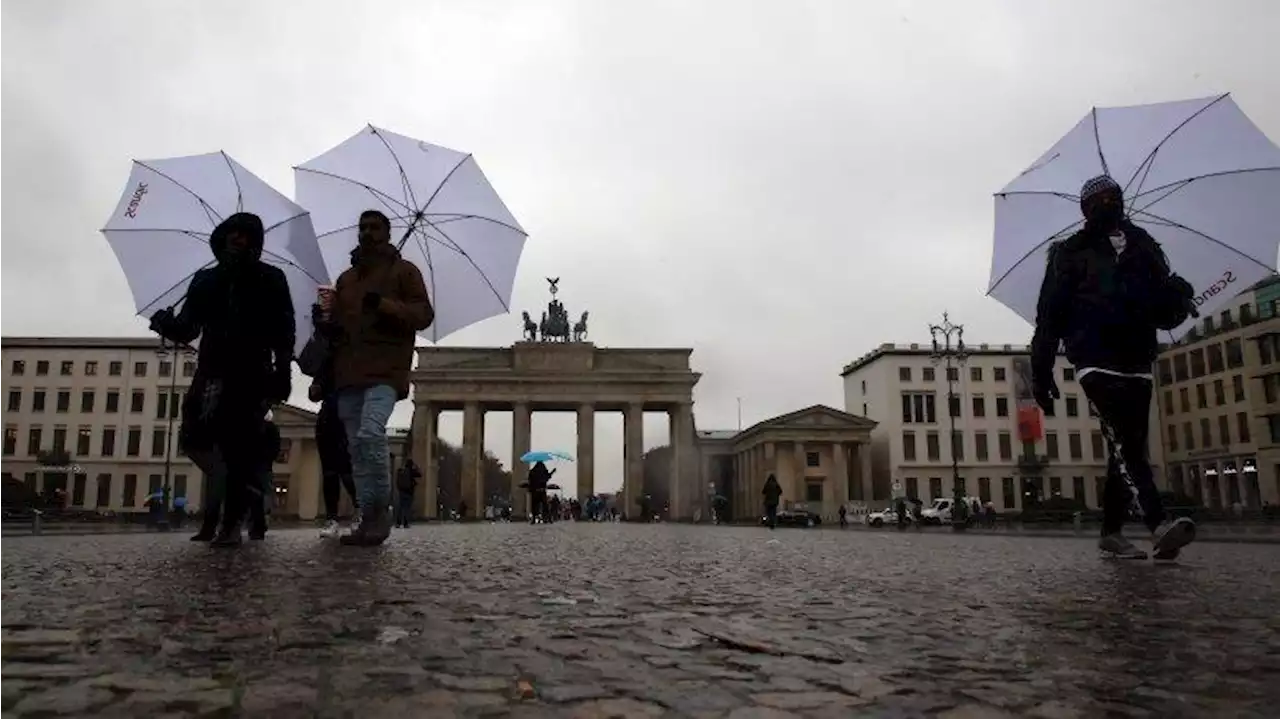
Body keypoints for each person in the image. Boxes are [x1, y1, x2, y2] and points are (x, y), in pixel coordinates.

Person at [1031, 174, 1198, 561]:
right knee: (1123, 438)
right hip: (1093, 357)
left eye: (1113, 198)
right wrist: (1041, 373)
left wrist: (1179, 295)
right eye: (1098, 201)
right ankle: (1158, 523)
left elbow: (1164, 314)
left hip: (1138, 358)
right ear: (1085, 210)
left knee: (1127, 448)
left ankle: (1111, 533)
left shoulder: (1145, 247)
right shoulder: (1069, 253)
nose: (1107, 205)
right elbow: (1049, 315)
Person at [151, 212, 294, 547]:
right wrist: (166, 325)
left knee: (237, 443)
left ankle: (230, 522)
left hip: (252, 370)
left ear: (255, 242)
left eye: (245, 234)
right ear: (222, 237)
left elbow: (284, 330)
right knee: (193, 434)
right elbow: (189, 327)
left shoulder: (271, 278)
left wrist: (283, 370)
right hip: (211, 368)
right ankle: (244, 489)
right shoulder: (205, 280)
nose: (237, 239)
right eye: (233, 233)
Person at [320, 210, 433, 546]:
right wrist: (325, 321)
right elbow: (339, 331)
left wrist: (383, 304)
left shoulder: (404, 271)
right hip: (349, 372)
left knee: (371, 434)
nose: (367, 232)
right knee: (356, 449)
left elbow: (423, 314)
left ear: (387, 232)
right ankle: (366, 517)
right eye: (363, 227)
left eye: (375, 227)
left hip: (386, 370)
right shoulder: (347, 279)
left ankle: (379, 513)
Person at [395, 458, 421, 528]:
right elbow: (419, 475)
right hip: (409, 492)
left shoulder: (401, 471)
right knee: (407, 508)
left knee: (400, 507)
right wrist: (416, 467)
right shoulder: (411, 471)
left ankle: (398, 522)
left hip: (402, 491)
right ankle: (406, 523)